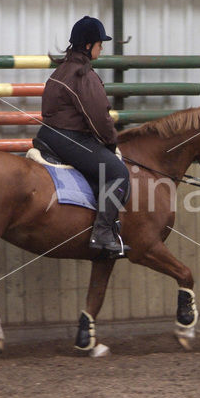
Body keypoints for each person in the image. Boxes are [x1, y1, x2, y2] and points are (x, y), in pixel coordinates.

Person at [36, 16, 130, 258]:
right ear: (88, 45)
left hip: (49, 133)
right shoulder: (84, 75)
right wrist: (110, 143)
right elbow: (99, 117)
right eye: (100, 42)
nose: (102, 47)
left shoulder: (62, 69)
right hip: (68, 138)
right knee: (118, 172)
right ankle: (103, 233)